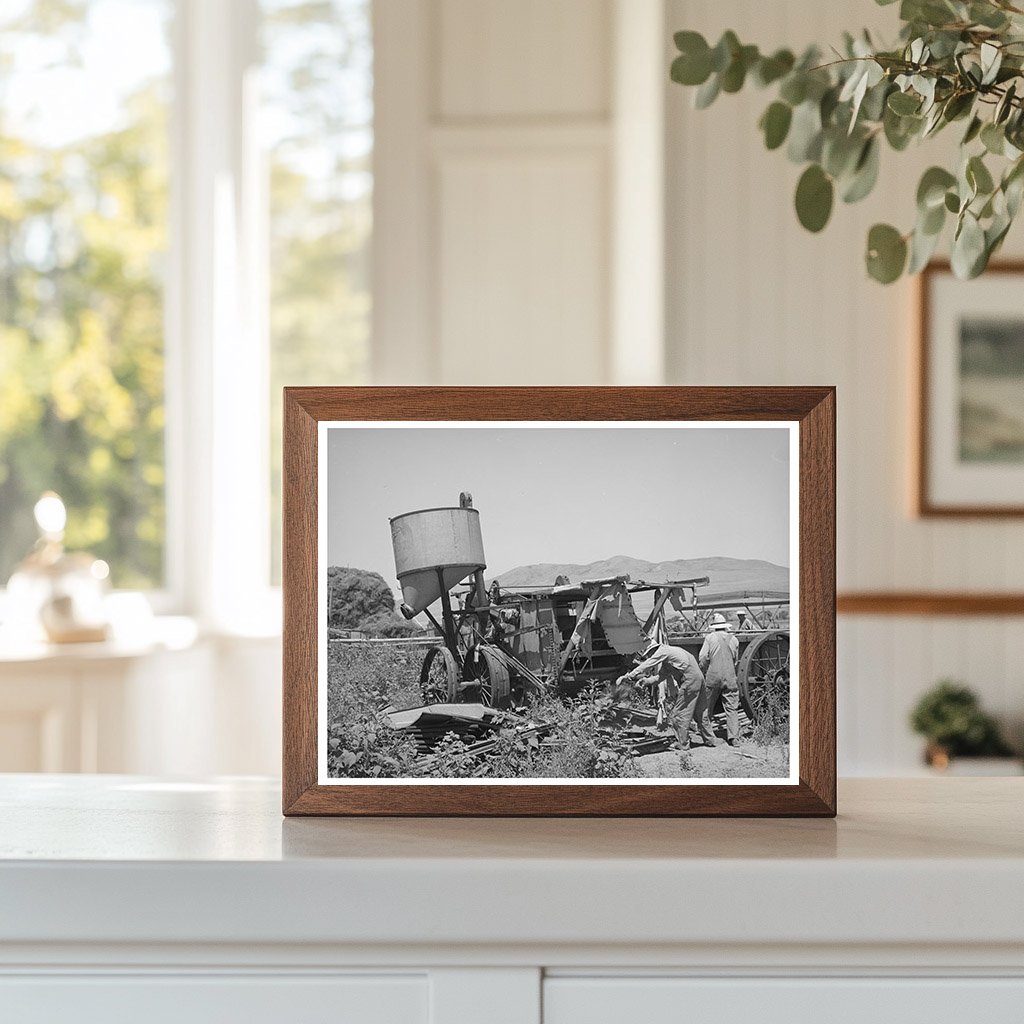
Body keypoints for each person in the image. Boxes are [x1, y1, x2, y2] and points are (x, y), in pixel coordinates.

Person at [617, 636, 717, 750]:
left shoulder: (663, 651)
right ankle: (710, 740)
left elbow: (649, 663)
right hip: (698, 678)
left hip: (690, 680)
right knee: (701, 712)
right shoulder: (670, 655)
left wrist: (629, 676)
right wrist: (646, 681)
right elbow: (661, 676)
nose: (649, 656)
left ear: (653, 650)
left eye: (649, 654)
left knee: (679, 714)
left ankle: (683, 744)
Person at [699, 613, 741, 746]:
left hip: (713, 676)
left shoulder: (709, 638)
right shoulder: (734, 639)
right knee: (731, 708)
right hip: (730, 676)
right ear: (725, 626)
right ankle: (733, 738)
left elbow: (703, 657)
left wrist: (704, 669)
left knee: (707, 707)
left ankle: (708, 735)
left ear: (714, 627)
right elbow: (735, 659)